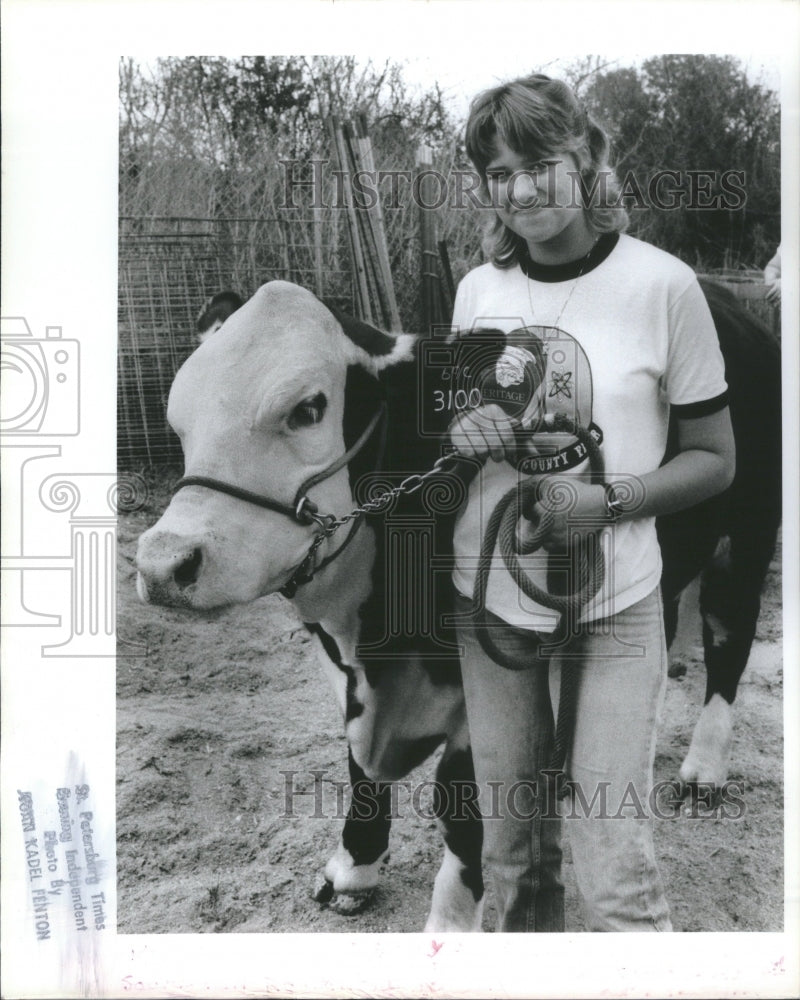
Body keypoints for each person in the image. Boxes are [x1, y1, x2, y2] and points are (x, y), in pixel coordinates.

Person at [446, 73, 735, 932]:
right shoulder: (477, 292)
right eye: (499, 173)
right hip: (492, 605)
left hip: (617, 607)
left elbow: (715, 460)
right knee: (511, 863)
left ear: (586, 158)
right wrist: (460, 434)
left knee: (613, 871)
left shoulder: (665, 287)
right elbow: (456, 439)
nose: (523, 188)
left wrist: (605, 502)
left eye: (540, 162)